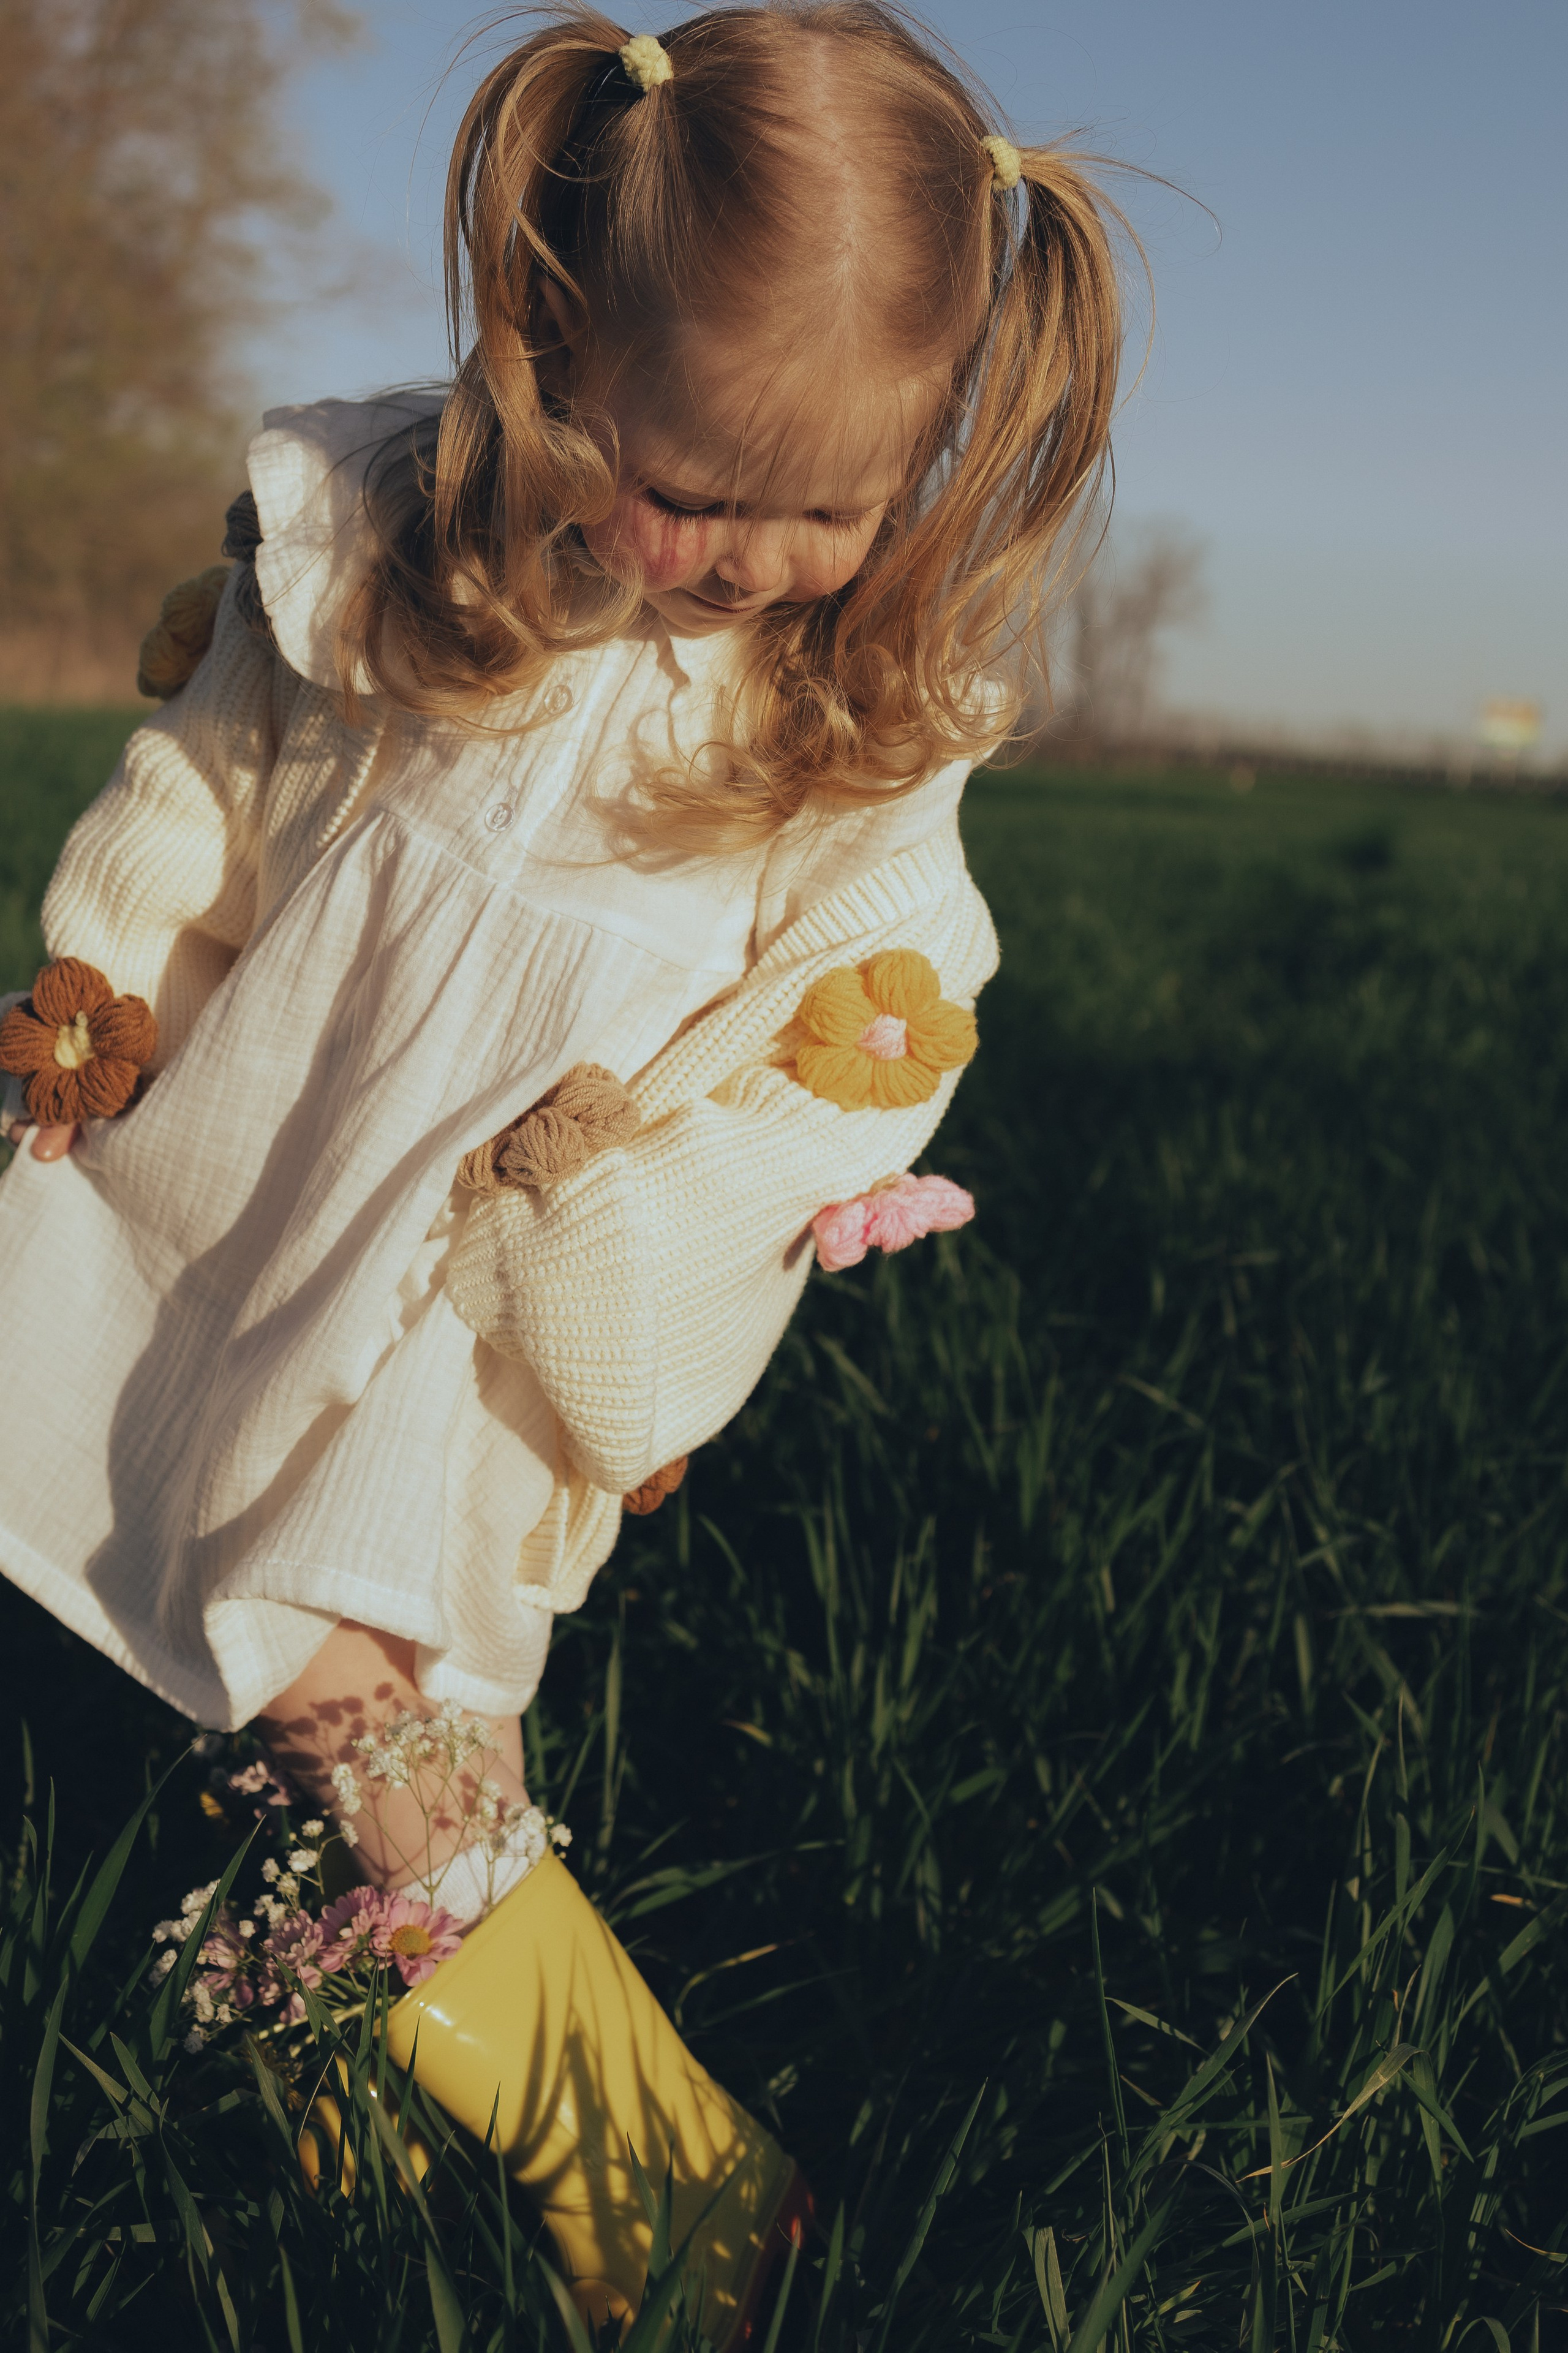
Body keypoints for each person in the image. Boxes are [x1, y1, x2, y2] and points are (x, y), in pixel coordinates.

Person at [0, 3, 1128, 2340]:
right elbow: (208, 772)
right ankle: (321, 2095)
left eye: (830, 509)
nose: (745, 557)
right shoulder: (389, 544)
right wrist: (107, 970)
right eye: (693, 478)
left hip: (466, 1302)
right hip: (228, 1193)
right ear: (559, 336)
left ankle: (676, 2174)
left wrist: (624, 1254)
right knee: (256, 1700)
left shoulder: (849, 744)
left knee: (363, 1712)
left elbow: (846, 1075)